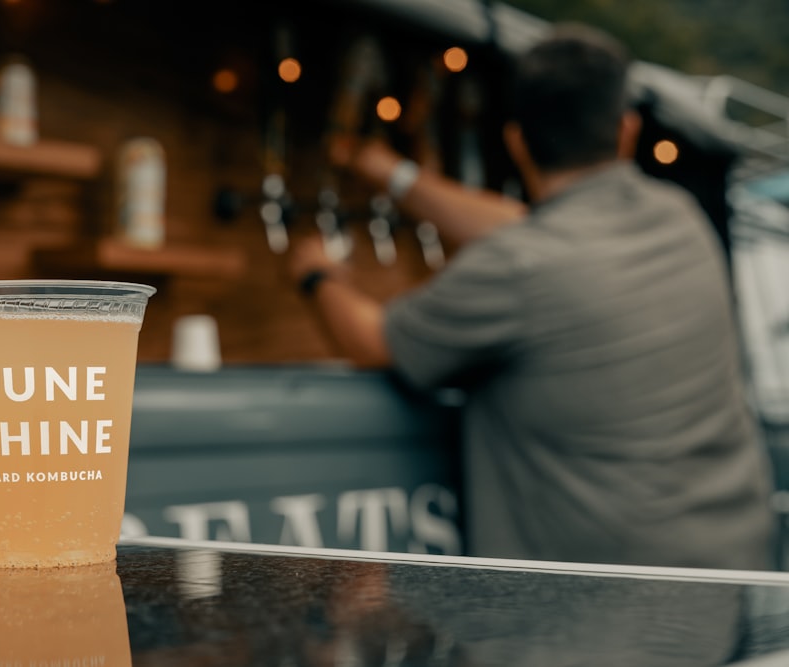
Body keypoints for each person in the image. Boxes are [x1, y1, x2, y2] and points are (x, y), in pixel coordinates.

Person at [288, 23, 775, 569]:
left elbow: (374, 340)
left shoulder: (518, 267)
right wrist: (386, 171)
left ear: (516, 141)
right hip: (737, 574)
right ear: (628, 132)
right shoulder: (680, 218)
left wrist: (316, 272)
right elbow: (528, 229)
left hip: (597, 620)